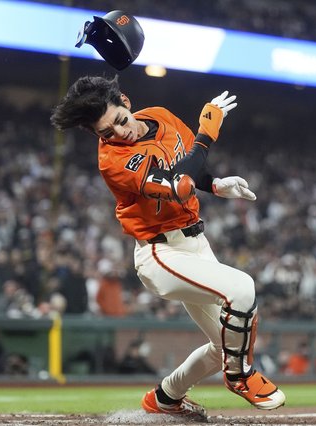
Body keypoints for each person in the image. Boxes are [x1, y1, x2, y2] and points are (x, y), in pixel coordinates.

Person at [50, 75, 285, 420]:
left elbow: (192, 165)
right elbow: (180, 184)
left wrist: (217, 184)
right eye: (106, 133)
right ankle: (240, 376)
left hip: (194, 243)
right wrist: (207, 134)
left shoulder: (159, 115)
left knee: (223, 345)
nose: (119, 133)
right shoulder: (114, 161)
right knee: (243, 290)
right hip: (160, 253)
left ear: (126, 103)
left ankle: (165, 397)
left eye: (119, 120)